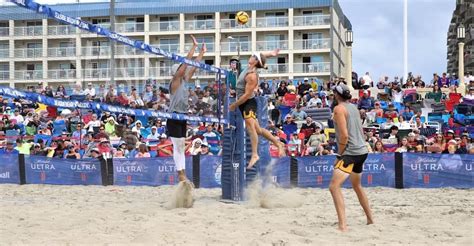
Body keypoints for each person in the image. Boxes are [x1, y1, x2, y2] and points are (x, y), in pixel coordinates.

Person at [229, 49, 286, 169]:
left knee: (250, 128)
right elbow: (260, 55)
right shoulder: (249, 67)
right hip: (243, 103)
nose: (250, 56)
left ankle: (255, 154)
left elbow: (245, 96)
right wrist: (271, 54)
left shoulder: (252, 76)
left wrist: (234, 105)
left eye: (253, 56)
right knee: (258, 130)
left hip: (248, 102)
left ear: (255, 61)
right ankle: (278, 143)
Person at [329, 82, 373, 232]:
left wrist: (340, 155)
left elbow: (344, 136)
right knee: (357, 186)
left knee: (334, 187)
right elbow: (359, 130)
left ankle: (342, 226)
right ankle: (370, 219)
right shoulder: (353, 107)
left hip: (351, 153)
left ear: (336, 95)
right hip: (362, 151)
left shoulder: (338, 109)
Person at [167, 35, 205, 182]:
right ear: (177, 72)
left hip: (182, 116)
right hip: (174, 116)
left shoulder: (184, 80)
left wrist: (202, 53)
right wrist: (193, 47)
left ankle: (182, 174)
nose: (184, 70)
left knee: (181, 146)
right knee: (178, 146)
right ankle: (180, 174)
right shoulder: (175, 81)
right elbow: (185, 64)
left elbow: (193, 67)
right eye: (181, 70)